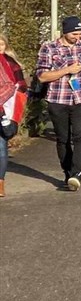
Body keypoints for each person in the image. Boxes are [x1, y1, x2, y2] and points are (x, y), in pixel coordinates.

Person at [35, 16, 81, 190]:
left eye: (80, 33)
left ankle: (77, 172)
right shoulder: (49, 48)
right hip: (58, 99)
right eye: (74, 34)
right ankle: (68, 172)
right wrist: (67, 70)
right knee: (63, 138)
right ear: (65, 32)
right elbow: (42, 76)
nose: (77, 37)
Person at [0, 33, 25, 199]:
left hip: (5, 110)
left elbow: (20, 87)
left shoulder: (12, 64)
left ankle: (0, 182)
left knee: (1, 146)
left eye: (1, 45)